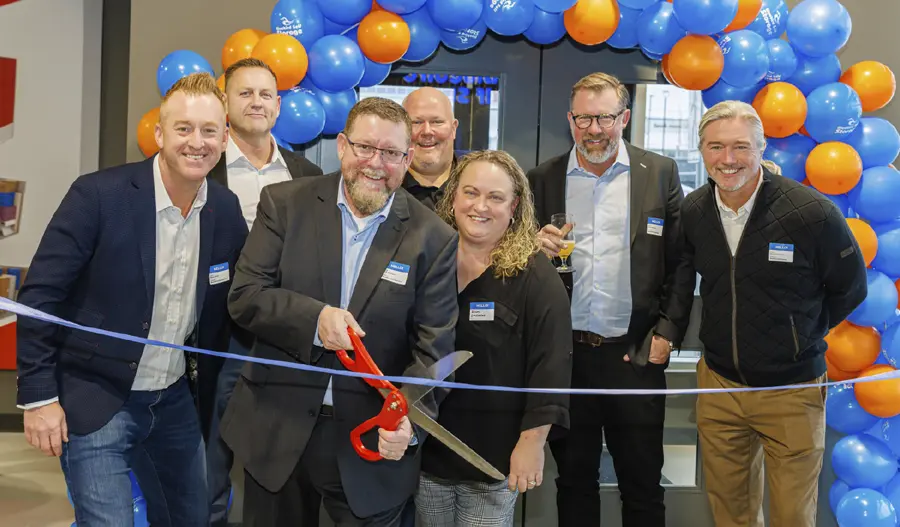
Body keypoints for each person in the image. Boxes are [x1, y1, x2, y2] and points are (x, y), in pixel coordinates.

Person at [15, 72, 247, 526]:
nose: (196, 142)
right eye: (183, 128)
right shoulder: (98, 196)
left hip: (175, 400)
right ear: (159, 134)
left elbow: (241, 301)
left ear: (224, 138)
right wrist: (40, 398)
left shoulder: (226, 210)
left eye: (209, 130)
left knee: (192, 518)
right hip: (96, 395)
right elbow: (40, 296)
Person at [220, 96, 459, 526]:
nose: (375, 163)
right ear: (343, 146)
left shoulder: (434, 238)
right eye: (365, 147)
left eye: (390, 153)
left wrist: (409, 420)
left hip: (370, 442)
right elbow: (245, 296)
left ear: (407, 160)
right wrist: (314, 320)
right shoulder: (283, 204)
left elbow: (435, 349)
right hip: (277, 430)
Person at [674, 100, 868, 527]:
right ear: (701, 150)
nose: (728, 159)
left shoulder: (811, 213)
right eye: (716, 146)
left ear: (762, 149)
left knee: (791, 517)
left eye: (741, 146)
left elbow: (850, 288)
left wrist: (799, 336)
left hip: (792, 390)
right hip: (719, 386)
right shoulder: (693, 212)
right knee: (731, 514)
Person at [527, 72, 693, 527]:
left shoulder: (659, 172)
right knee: (574, 482)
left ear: (624, 117)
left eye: (604, 117)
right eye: (584, 118)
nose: (594, 129)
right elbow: (517, 264)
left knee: (642, 485)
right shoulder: (542, 178)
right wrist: (531, 250)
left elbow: (682, 262)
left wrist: (668, 332)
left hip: (636, 356)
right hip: (567, 358)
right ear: (570, 119)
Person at [416, 150, 573, 527]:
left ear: (515, 205)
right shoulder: (427, 260)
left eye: (495, 197)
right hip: (427, 450)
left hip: (495, 457)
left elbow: (551, 366)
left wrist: (532, 442)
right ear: (453, 195)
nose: (480, 206)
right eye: (470, 193)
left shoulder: (536, 276)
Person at [202, 56, 324, 527]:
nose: (256, 102)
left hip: (283, 345)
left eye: (265, 94)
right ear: (225, 103)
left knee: (277, 478)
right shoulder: (203, 166)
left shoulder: (307, 173)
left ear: (279, 105)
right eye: (245, 93)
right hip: (218, 341)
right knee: (207, 471)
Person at [400, 86, 459, 210]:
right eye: (416, 122)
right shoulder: (385, 190)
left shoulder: (478, 187)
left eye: (437, 122)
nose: (427, 131)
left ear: (453, 128)